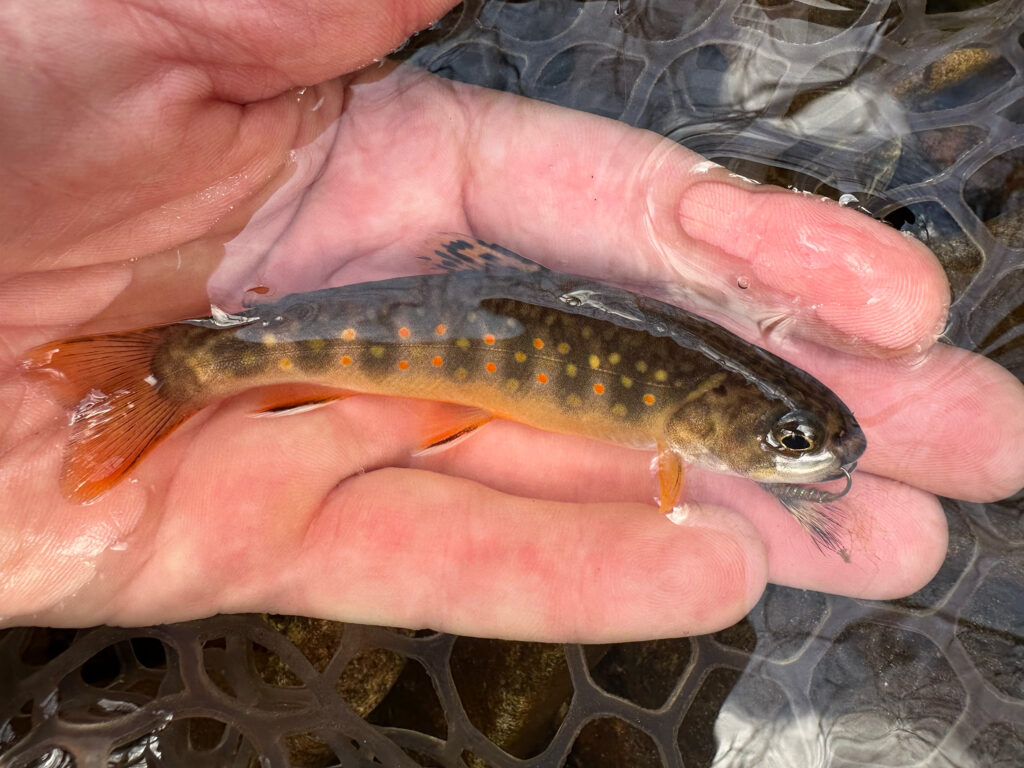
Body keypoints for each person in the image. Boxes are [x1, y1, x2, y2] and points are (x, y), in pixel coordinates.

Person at [0, 0, 1021, 641]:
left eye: (797, 441)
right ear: (706, 424)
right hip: (437, 322)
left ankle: (181, 369)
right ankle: (173, 370)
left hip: (456, 315)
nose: (797, 453)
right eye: (788, 441)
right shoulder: (676, 441)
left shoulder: (697, 390)